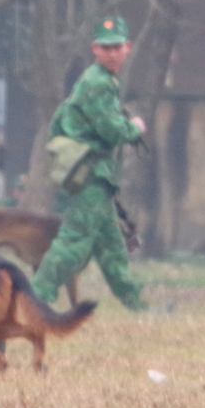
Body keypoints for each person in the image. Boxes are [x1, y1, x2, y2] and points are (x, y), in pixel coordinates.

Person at [31, 16, 149, 311]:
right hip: (89, 173)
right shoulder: (98, 82)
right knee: (75, 241)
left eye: (117, 47)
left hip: (95, 172)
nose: (112, 53)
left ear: (127, 47)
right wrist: (135, 126)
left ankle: (135, 304)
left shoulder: (104, 80)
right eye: (105, 47)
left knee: (111, 245)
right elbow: (111, 130)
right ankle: (35, 298)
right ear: (94, 48)